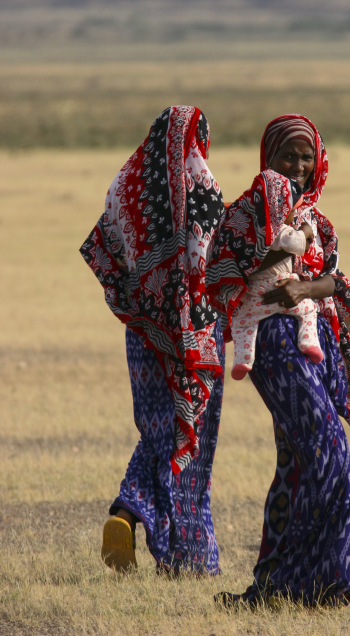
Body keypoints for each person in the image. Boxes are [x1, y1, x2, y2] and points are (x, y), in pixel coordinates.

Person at [207, 114, 350, 607]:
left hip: (318, 343)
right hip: (274, 345)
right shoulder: (246, 213)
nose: (298, 166)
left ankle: (273, 589)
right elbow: (222, 276)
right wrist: (277, 252)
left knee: (296, 463)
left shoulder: (318, 220)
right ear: (268, 157)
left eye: (307, 156)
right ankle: (324, 582)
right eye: (289, 155)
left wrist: (302, 286)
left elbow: (336, 280)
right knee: (327, 452)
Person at [80, 106, 225, 576]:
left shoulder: (125, 185)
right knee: (188, 439)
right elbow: (211, 266)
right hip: (192, 338)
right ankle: (188, 556)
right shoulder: (202, 187)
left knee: (159, 430)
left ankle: (128, 512)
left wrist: (144, 305)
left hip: (142, 333)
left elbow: (107, 251)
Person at [228, 170, 323, 381]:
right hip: (282, 288)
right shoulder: (279, 230)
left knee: (242, 322)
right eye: (292, 210)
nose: (294, 216)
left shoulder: (250, 227)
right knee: (309, 310)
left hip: (253, 296)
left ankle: (243, 359)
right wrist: (306, 231)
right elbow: (297, 245)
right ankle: (308, 341)